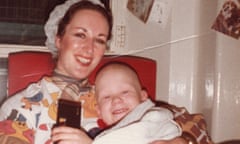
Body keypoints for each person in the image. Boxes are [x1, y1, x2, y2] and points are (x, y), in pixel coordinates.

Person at [0, 0, 211, 144]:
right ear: (58, 38)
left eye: (99, 40)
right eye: (80, 35)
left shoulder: (113, 96)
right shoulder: (20, 107)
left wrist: (182, 140)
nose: (89, 48)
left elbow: (196, 125)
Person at [93, 62, 182, 143]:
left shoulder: (153, 119)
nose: (116, 100)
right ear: (99, 111)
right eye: (106, 97)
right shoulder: (91, 132)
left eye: (125, 92)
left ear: (143, 96)